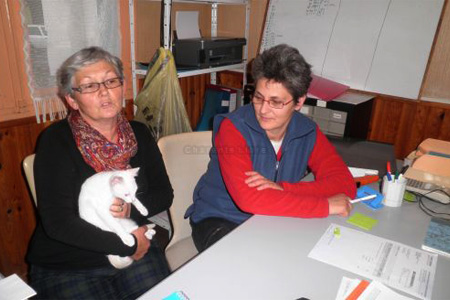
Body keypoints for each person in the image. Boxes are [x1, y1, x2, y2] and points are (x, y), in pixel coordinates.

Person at [26, 47, 173, 299]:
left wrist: (130, 210)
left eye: (111, 81)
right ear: (72, 100)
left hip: (132, 243)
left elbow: (163, 193)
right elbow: (58, 224)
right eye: (90, 86)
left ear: (122, 87)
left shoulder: (139, 133)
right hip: (69, 262)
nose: (104, 91)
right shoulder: (56, 140)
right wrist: (128, 245)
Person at [185, 44, 356, 252]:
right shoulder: (233, 129)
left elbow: (345, 184)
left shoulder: (307, 131)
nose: (263, 110)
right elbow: (250, 199)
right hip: (221, 219)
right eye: (258, 97)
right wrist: (326, 205)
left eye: (275, 102)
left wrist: (284, 189)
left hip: (273, 218)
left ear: (299, 101)